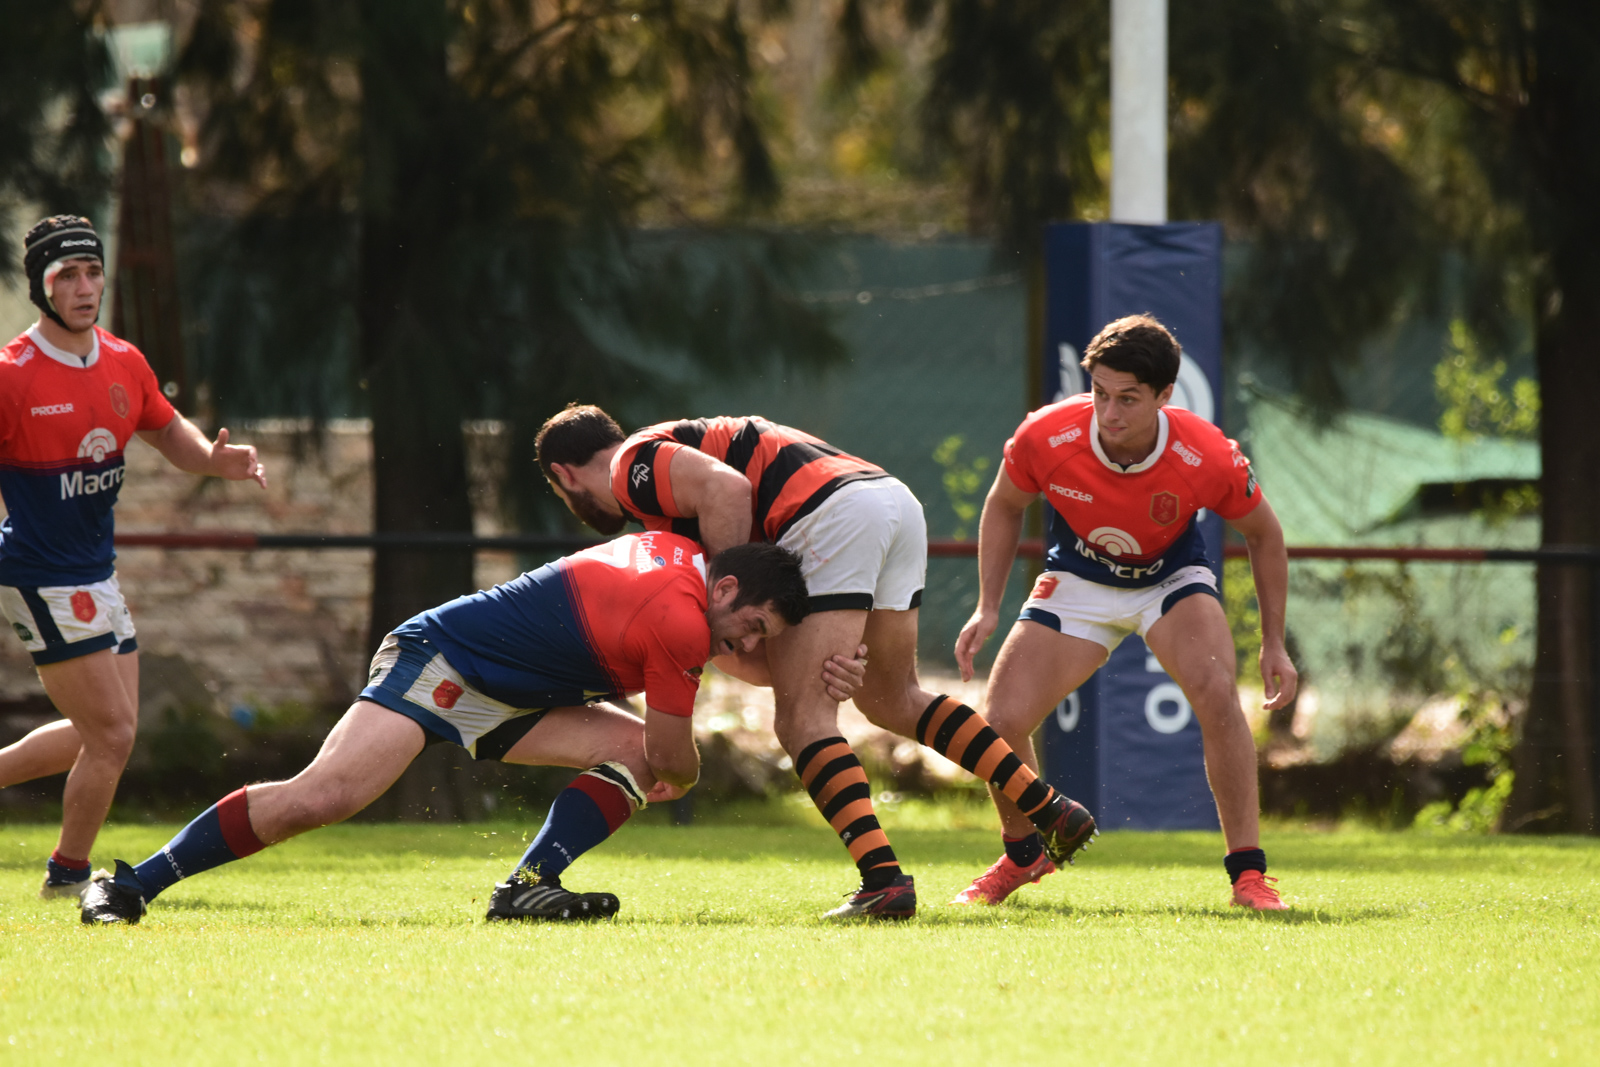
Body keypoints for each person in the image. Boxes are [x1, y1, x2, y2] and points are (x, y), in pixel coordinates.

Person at [536, 405, 1097, 920]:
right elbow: (748, 643)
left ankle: (882, 881)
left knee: (802, 721)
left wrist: (734, 605)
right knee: (888, 698)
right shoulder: (666, 494)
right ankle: (1045, 806)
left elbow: (728, 491)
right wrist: (802, 651)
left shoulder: (629, 466)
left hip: (831, 512)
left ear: (563, 476)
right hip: (889, 502)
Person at [80, 533, 817, 925]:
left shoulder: (685, 561)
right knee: (325, 795)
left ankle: (529, 885)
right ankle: (128, 885)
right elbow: (670, 756)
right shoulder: (683, 622)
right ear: (726, 589)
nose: (747, 646)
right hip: (444, 660)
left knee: (627, 747)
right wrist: (679, 778)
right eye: (751, 628)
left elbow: (659, 720)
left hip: (506, 685)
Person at [953, 313, 1297, 910]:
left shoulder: (1207, 453)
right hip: (1079, 578)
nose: (1109, 415)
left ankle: (1249, 876)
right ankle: (1024, 853)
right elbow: (1005, 505)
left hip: (1170, 580)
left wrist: (1274, 644)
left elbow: (1265, 535)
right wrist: (988, 607)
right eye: (1099, 394)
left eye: (1128, 399)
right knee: (1000, 720)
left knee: (1218, 692)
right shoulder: (1047, 435)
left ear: (1166, 395)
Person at [0, 215, 267, 900]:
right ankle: (66, 875)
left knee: (104, 732)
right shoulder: (13, 376)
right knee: (113, 734)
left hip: (97, 572)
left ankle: (63, 865)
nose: (86, 287)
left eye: (93, 272)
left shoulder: (123, 360)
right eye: (68, 276)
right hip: (40, 574)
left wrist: (214, 460)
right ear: (42, 286)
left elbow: (170, 432)